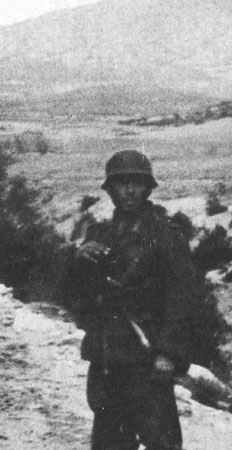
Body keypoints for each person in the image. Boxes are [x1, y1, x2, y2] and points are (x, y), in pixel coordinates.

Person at [64, 150, 202, 450]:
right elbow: (76, 296)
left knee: (161, 442)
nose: (129, 191)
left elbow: (183, 297)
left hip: (147, 358)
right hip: (107, 357)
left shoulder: (166, 234)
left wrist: (168, 352)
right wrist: (80, 259)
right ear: (110, 189)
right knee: (109, 442)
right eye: (121, 183)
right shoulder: (99, 233)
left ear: (148, 188)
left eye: (136, 183)